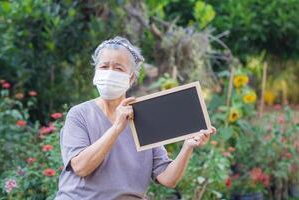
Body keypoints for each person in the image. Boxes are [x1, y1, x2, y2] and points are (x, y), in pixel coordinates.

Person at [55, 36, 216, 200]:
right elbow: (81, 167)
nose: (110, 72)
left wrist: (187, 146)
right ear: (96, 72)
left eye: (118, 68)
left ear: (131, 78)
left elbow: (168, 179)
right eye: (104, 66)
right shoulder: (79, 114)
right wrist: (117, 128)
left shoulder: (145, 118)